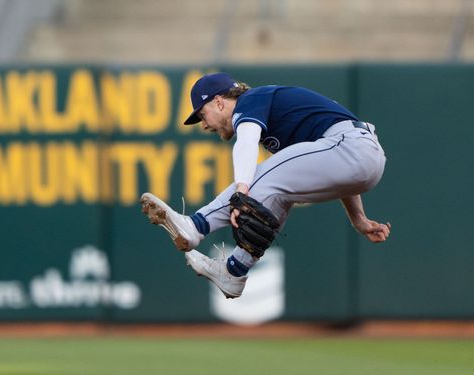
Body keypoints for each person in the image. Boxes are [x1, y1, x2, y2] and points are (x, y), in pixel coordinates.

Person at [141, 72, 390, 298]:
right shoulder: (274, 116)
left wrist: (241, 191)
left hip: (352, 146)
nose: (204, 125)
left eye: (202, 114)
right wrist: (359, 219)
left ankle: (195, 225)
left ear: (219, 102)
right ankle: (234, 272)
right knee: (277, 194)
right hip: (359, 158)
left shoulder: (251, 99)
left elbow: (247, 142)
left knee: (264, 175)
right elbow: (338, 169)